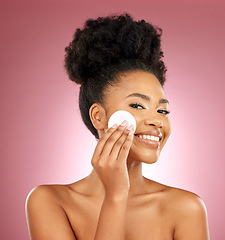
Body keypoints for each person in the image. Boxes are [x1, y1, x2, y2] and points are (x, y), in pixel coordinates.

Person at [25, 13, 210, 240]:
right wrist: (115, 196)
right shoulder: (50, 201)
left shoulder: (186, 208)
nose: (157, 121)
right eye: (137, 105)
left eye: (162, 110)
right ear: (99, 116)